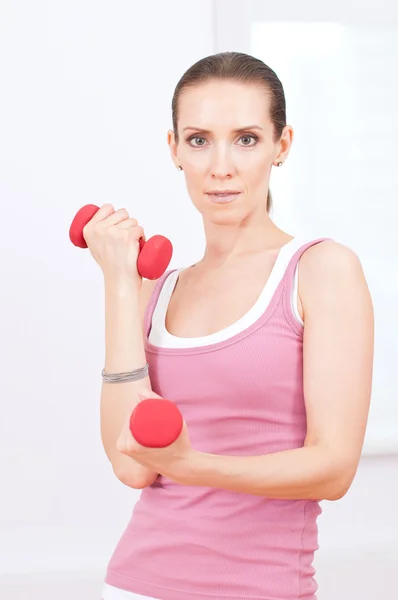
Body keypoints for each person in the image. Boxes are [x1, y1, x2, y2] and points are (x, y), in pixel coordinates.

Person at [85, 52, 374, 600]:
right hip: (134, 584)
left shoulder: (320, 269)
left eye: (246, 139)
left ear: (281, 145)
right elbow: (132, 469)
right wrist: (121, 284)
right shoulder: (157, 288)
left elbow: (333, 469)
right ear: (174, 149)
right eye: (198, 140)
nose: (222, 166)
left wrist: (194, 466)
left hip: (259, 587)